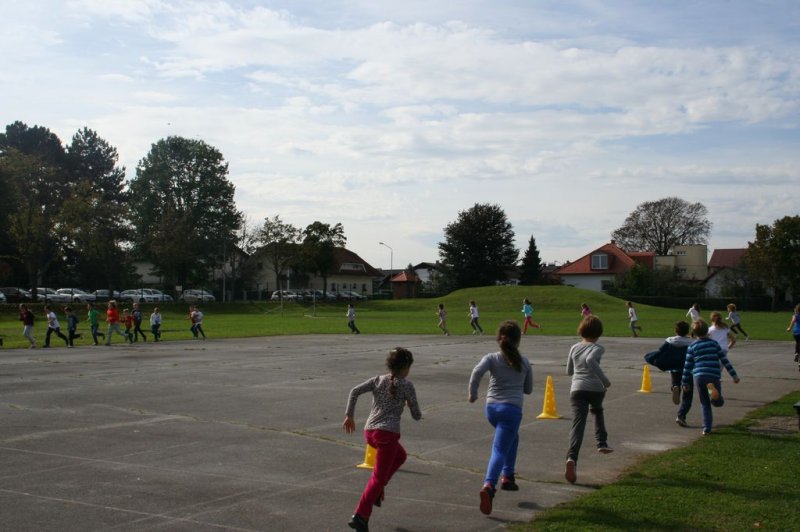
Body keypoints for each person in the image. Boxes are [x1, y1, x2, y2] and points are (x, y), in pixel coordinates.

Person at [343, 347, 422, 532]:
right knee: (377, 478)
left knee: (400, 456)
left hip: (370, 432)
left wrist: (349, 415)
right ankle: (360, 515)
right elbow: (417, 416)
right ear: (405, 368)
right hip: (387, 435)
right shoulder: (407, 385)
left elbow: (354, 391)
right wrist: (410, 405)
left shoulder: (377, 379)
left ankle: (376, 493)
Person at [468, 320, 533, 515]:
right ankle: (489, 485)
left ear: (499, 340)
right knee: (499, 449)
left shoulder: (491, 357)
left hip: (491, 409)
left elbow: (476, 372)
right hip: (511, 411)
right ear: (518, 341)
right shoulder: (525, 362)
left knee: (513, 438)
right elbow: (528, 390)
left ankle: (508, 476)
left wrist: (472, 393)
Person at [565, 315, 612, 485]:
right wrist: (605, 381)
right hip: (595, 388)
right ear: (598, 332)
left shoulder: (574, 347)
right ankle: (601, 442)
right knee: (597, 410)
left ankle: (571, 458)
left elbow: (569, 371)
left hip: (576, 389)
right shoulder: (598, 348)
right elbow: (591, 360)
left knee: (578, 424)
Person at [681, 319, 740, 435]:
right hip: (713, 375)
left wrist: (685, 383)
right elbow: (724, 360)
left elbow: (687, 367)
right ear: (707, 331)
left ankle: (706, 428)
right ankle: (714, 395)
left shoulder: (692, 347)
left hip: (699, 376)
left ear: (694, 333)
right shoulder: (714, 344)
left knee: (704, 404)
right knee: (718, 403)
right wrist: (734, 375)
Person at [643, 321, 695, 422]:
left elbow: (660, 352)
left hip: (674, 368)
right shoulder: (691, 343)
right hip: (687, 370)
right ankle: (681, 415)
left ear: (675, 331)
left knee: (676, 382)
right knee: (688, 395)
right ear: (687, 331)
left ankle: (675, 387)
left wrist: (649, 357)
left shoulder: (670, 341)